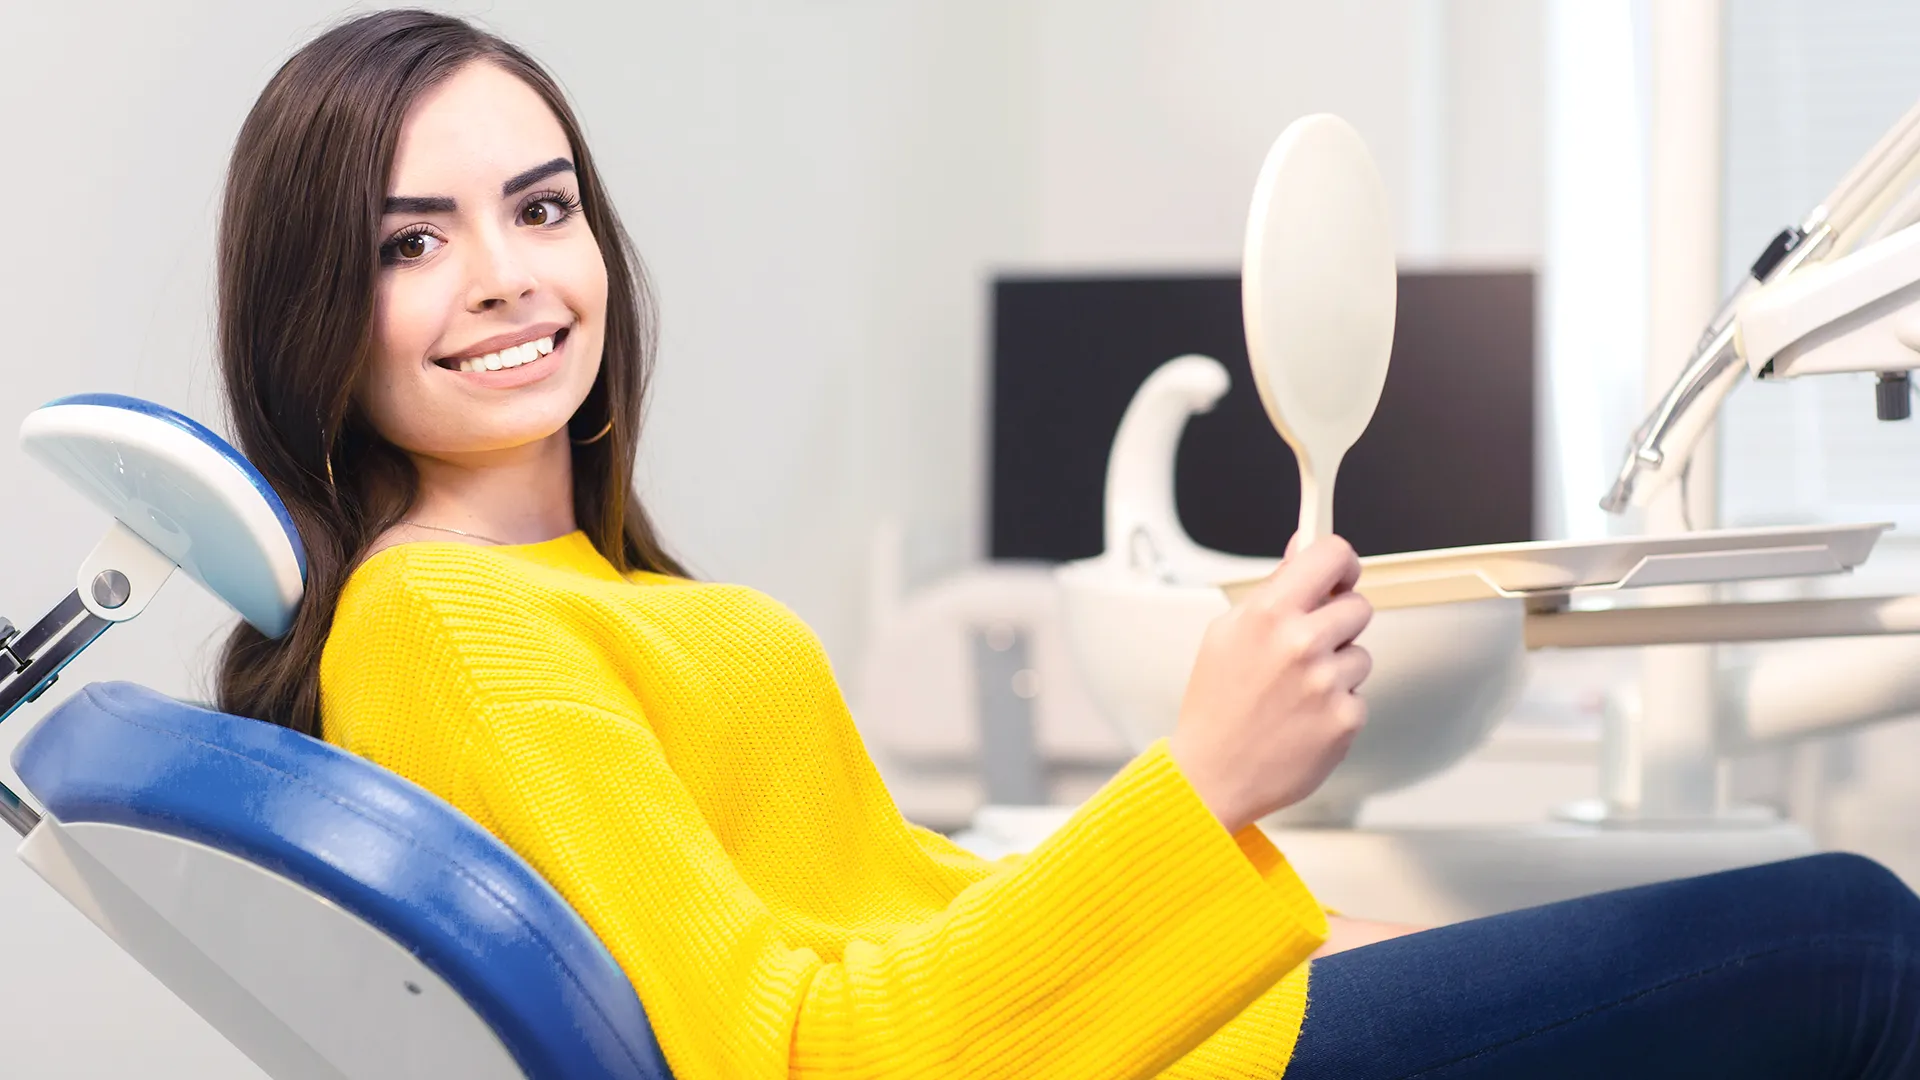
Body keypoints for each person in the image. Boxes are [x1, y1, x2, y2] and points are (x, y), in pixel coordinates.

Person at [212, 10, 1920, 1079]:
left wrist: (1287, 927)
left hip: (1159, 1026)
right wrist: (1203, 779)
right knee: (1848, 939)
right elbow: (797, 1058)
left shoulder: (589, 590)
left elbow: (883, 904)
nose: (507, 274)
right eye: (411, 243)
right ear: (313, 311)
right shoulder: (446, 620)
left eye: (542, 205)